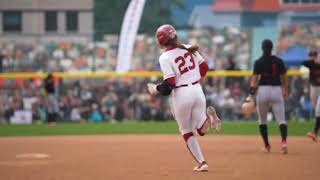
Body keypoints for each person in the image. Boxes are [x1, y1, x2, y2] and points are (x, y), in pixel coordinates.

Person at [147, 24, 221, 172]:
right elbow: (205, 68)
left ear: (161, 41)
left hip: (182, 94)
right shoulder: (187, 47)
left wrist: (155, 89)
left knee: (186, 131)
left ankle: (202, 162)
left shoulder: (165, 57)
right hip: (197, 90)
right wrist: (192, 77)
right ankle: (208, 117)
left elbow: (170, 84)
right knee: (200, 130)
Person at [249, 39, 289, 154]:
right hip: (277, 90)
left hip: (263, 90)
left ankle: (267, 146)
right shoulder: (279, 61)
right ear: (272, 48)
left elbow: (254, 81)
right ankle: (284, 142)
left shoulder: (258, 62)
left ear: (262, 48)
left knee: (262, 121)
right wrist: (286, 90)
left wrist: (251, 94)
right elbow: (284, 78)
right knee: (281, 119)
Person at [302, 51, 320, 142]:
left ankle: (315, 132)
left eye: (312, 56)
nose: (310, 57)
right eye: (310, 56)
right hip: (314, 88)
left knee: (318, 110)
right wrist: (313, 61)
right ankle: (315, 132)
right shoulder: (310, 63)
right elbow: (303, 63)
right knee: (316, 108)